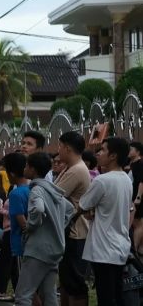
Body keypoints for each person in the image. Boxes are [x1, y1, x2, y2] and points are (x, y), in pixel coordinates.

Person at [79, 137, 132, 306]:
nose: (98, 154)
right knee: (117, 295)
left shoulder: (102, 180)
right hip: (120, 246)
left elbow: (83, 205)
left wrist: (90, 211)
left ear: (113, 156)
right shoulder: (126, 178)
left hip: (103, 248)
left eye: (102, 150)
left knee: (106, 297)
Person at [15, 152, 73, 306]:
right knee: (50, 295)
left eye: (27, 165)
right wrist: (59, 225)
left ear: (33, 170)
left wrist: (31, 226)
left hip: (38, 250)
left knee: (23, 295)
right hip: (55, 249)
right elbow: (70, 209)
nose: (24, 168)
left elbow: (39, 209)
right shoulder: (53, 190)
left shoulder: (36, 190)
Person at [54, 131, 91, 306]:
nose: (58, 149)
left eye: (60, 146)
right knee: (66, 282)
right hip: (70, 231)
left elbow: (53, 195)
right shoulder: (71, 168)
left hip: (75, 233)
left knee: (75, 283)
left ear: (67, 148)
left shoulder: (76, 170)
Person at [1, 153, 29, 302]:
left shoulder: (16, 194)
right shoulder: (32, 188)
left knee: (22, 283)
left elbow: (22, 222)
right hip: (31, 244)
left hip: (20, 242)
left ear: (11, 173)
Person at [128, 141, 143, 255]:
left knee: (137, 223)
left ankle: (135, 250)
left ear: (138, 152)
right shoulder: (132, 164)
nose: (129, 150)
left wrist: (138, 197)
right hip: (132, 197)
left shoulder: (139, 164)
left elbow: (141, 182)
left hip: (137, 198)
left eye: (131, 149)